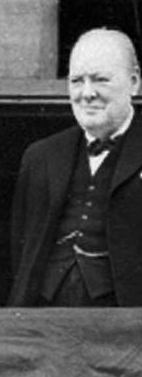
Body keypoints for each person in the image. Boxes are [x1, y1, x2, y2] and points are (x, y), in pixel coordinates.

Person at [9, 28, 142, 306]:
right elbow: (21, 247)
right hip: (48, 317)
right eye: (76, 81)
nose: (86, 93)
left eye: (101, 80)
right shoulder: (41, 156)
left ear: (134, 83)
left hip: (128, 326)